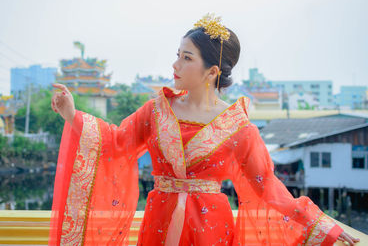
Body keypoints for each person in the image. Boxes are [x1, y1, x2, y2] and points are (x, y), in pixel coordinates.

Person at [49, 13, 360, 245]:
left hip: (212, 226)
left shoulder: (239, 128)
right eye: (177, 56)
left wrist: (321, 226)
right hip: (159, 219)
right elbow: (116, 142)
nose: (175, 66)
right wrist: (73, 115)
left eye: (186, 58)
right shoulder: (156, 110)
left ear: (211, 72)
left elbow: (268, 187)